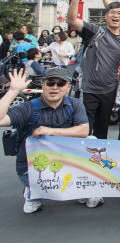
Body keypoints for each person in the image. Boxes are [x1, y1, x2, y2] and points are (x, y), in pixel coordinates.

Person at [0, 68, 94, 213]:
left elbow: (83, 131)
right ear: (43, 85)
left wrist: (48, 131)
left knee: (91, 141)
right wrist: (13, 91)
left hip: (65, 162)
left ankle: (78, 189)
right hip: (33, 168)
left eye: (60, 83)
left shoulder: (74, 104)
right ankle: (32, 194)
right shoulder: (28, 108)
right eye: (50, 83)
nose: (55, 87)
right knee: (39, 197)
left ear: (68, 86)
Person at [67, 0, 120, 139]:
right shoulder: (94, 31)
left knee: (101, 131)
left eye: (119, 13)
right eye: (111, 12)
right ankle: (79, 161)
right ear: (106, 16)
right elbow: (71, 20)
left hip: (109, 90)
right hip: (87, 89)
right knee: (83, 130)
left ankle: (97, 162)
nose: (115, 16)